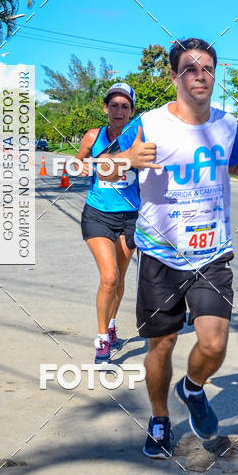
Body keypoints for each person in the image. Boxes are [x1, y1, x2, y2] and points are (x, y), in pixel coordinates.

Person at [100, 39, 238, 458]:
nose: (199, 75)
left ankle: (192, 389)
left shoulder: (226, 124)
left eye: (207, 68)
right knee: (162, 346)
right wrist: (129, 159)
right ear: (175, 77)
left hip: (212, 252)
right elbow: (104, 166)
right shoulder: (148, 124)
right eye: (190, 68)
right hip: (160, 254)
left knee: (213, 343)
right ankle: (158, 417)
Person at [75, 82, 142, 364]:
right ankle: (103, 339)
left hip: (129, 216)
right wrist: (89, 165)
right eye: (114, 105)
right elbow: (75, 165)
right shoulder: (93, 136)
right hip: (97, 214)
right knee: (110, 277)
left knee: (120, 279)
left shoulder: (139, 138)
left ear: (132, 111)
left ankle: (112, 323)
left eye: (125, 106)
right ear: (105, 108)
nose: (119, 110)